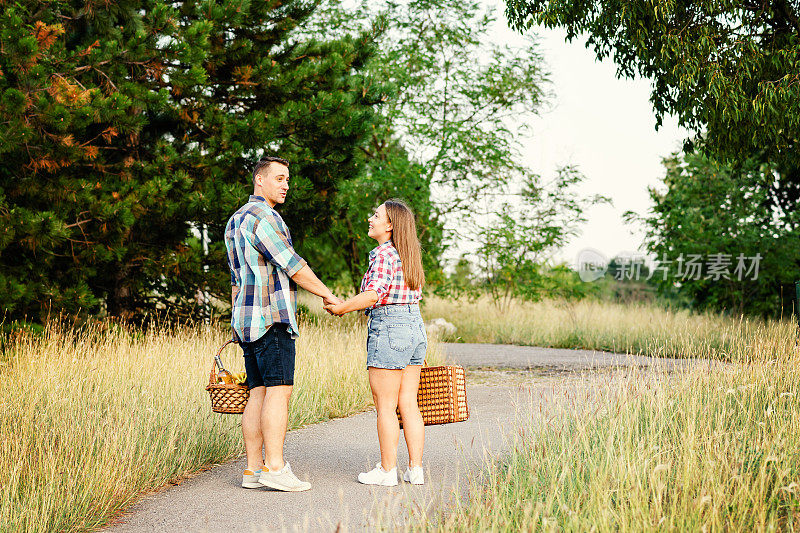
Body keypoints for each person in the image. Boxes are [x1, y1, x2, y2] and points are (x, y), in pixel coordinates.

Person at [225, 156, 341, 492]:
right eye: (279, 178)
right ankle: (274, 468)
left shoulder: (234, 221)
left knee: (256, 393)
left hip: (246, 322)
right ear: (259, 180)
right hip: (271, 319)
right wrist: (328, 295)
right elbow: (293, 265)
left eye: (287, 179)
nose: (285, 185)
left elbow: (235, 280)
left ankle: (252, 471)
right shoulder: (265, 217)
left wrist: (236, 323)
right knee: (279, 392)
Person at [325, 199, 427, 486]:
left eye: (376, 215)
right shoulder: (408, 256)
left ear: (390, 225)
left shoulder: (384, 254)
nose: (370, 219)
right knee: (408, 403)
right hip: (415, 326)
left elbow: (373, 295)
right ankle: (415, 470)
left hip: (390, 325)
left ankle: (387, 471)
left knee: (385, 404)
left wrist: (341, 308)